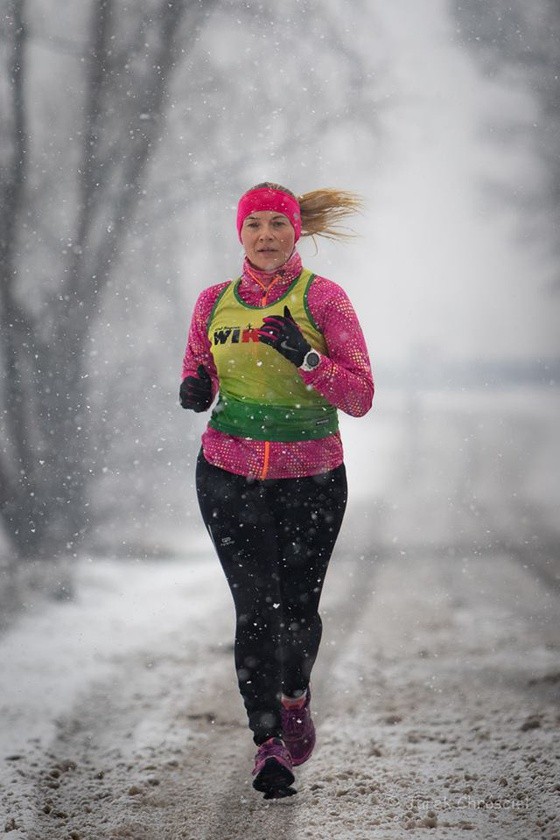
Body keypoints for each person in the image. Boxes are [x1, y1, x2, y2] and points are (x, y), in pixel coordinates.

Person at [180, 182, 373, 799]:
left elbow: (361, 396)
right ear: (240, 233)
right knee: (254, 609)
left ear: (297, 231)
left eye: (277, 224)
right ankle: (266, 744)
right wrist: (194, 389)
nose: (265, 236)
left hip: (311, 478)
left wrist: (306, 358)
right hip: (228, 473)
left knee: (296, 615)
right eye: (254, 224)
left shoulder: (324, 299)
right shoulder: (214, 301)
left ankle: (294, 695)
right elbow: (198, 367)